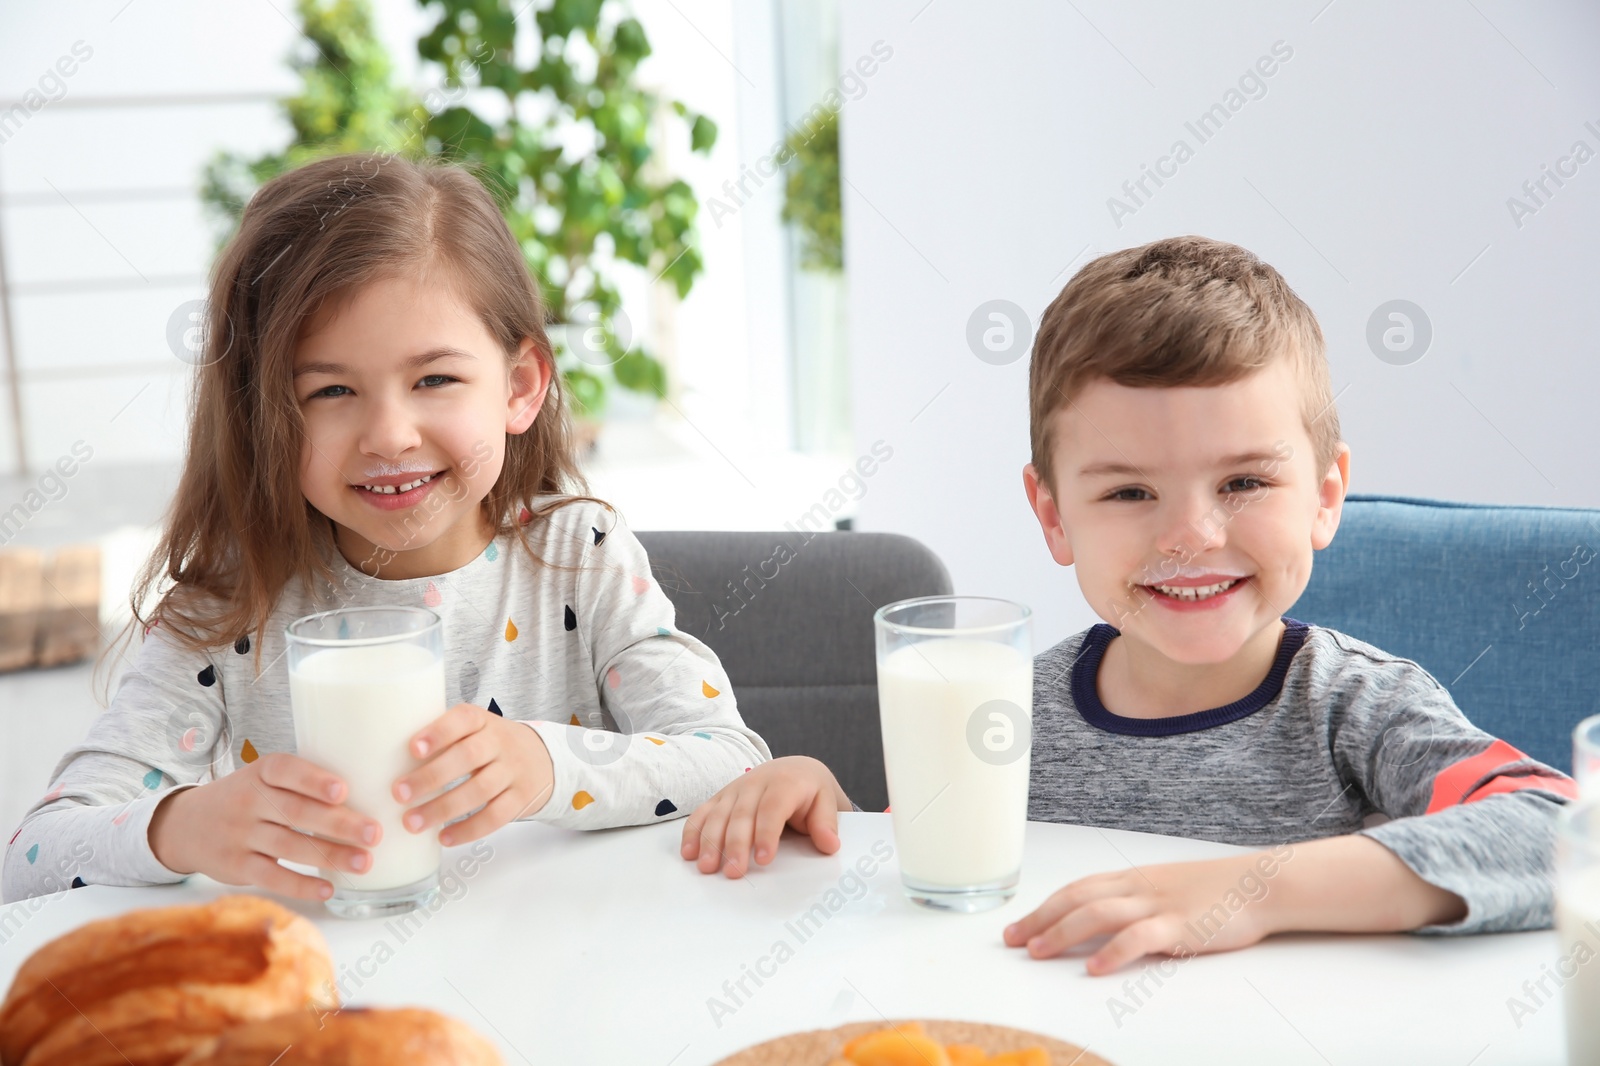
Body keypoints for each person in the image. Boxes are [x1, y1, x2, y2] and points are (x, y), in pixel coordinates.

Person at [684, 236, 1579, 978]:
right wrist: (818, 805)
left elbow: (1562, 829)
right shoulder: (1005, 710)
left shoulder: (1355, 709)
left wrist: (1249, 893)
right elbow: (921, 869)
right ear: (1052, 513)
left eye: (1243, 481)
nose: (1189, 534)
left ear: (1325, 495)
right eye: (1128, 494)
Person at [2, 153, 792, 904]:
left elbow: (726, 760)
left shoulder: (578, 559)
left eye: (435, 379)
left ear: (519, 386)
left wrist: (546, 764)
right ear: (267, 415)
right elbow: (34, 856)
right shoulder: (232, 609)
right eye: (332, 391)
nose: (388, 435)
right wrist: (176, 828)